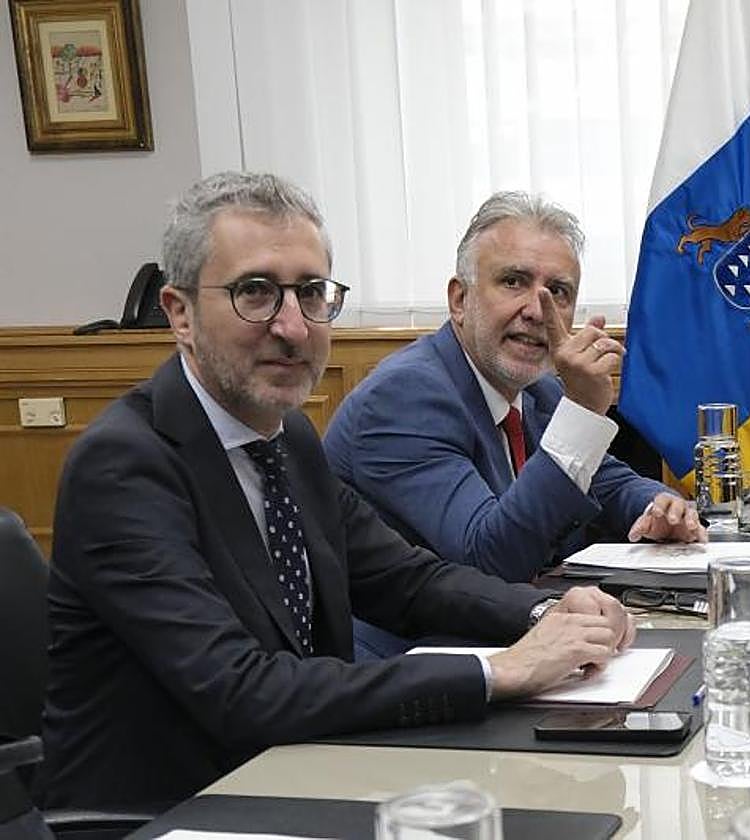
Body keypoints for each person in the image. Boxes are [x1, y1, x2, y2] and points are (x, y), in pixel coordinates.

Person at [39, 172, 634, 810]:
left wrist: (546, 615)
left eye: (312, 293)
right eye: (256, 293)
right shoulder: (125, 464)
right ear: (179, 313)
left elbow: (409, 582)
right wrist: (498, 670)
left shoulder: (286, 438)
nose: (294, 327)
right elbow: (243, 691)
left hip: (303, 771)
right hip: (172, 809)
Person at [324, 191, 704, 585]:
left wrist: (663, 508)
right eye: (512, 281)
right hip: (424, 641)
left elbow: (611, 483)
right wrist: (582, 414)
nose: (538, 311)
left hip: (524, 625)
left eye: (557, 292)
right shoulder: (403, 398)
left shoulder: (542, 392)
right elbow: (488, 560)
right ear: (459, 299)